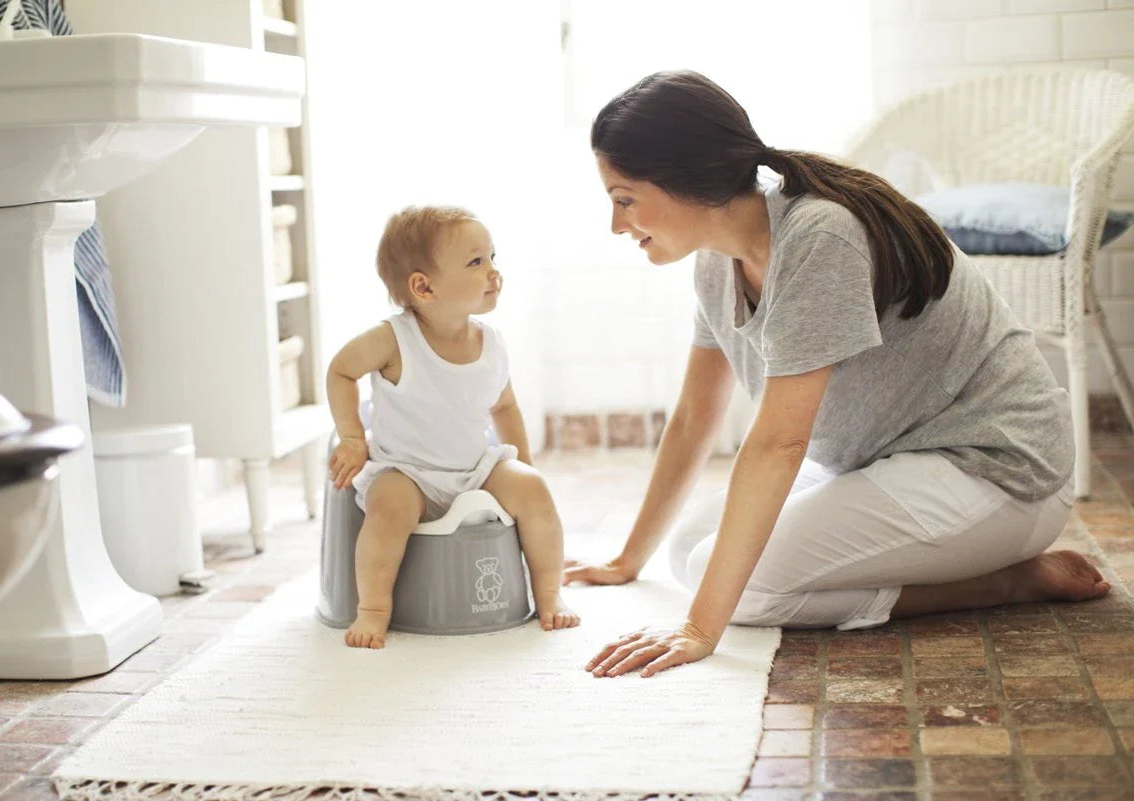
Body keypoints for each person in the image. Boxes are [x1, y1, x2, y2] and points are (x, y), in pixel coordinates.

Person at [563, 71, 1109, 678]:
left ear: (686, 178)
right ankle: (988, 574)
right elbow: (695, 418)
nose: (616, 225)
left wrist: (698, 630)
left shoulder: (820, 236)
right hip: (883, 460)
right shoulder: (716, 264)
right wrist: (627, 559)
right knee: (688, 552)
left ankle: (1005, 582)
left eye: (624, 199)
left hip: (997, 471)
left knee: (743, 592)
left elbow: (780, 442)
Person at [327, 205, 579, 649]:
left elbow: (504, 405)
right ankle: (373, 609)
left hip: (474, 469)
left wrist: (523, 465)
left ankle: (548, 593)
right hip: (406, 471)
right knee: (389, 509)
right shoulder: (393, 339)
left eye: (493, 257)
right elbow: (341, 371)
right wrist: (351, 436)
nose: (493, 271)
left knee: (534, 490)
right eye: (476, 262)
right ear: (424, 287)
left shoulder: (491, 343)